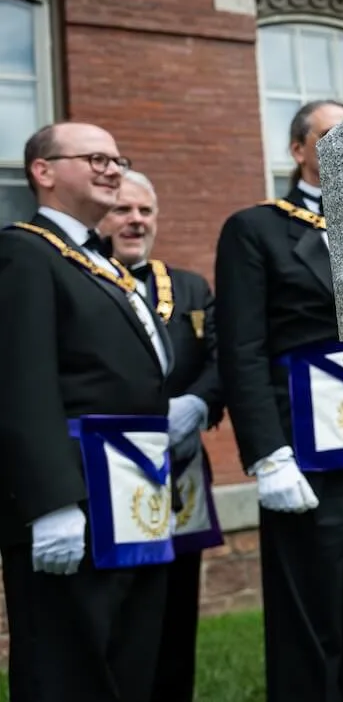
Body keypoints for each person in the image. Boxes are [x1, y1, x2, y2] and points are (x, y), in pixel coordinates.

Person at [215, 99, 343, 701]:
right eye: (330, 135)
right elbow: (241, 347)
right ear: (299, 149)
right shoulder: (255, 229)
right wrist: (265, 453)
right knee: (309, 604)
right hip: (303, 441)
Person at [0, 123, 173, 701]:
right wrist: (51, 503)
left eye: (116, 158)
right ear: (43, 172)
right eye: (93, 158)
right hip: (77, 492)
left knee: (127, 655)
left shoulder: (96, 260)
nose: (111, 168)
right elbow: (21, 382)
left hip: (132, 487)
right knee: (67, 664)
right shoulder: (24, 252)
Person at [97, 170, 225, 702]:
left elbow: (223, 358)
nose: (136, 221)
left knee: (175, 615)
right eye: (124, 210)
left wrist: (198, 403)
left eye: (145, 212)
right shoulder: (81, 280)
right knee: (116, 615)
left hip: (182, 475)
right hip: (107, 475)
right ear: (99, 217)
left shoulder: (191, 287)